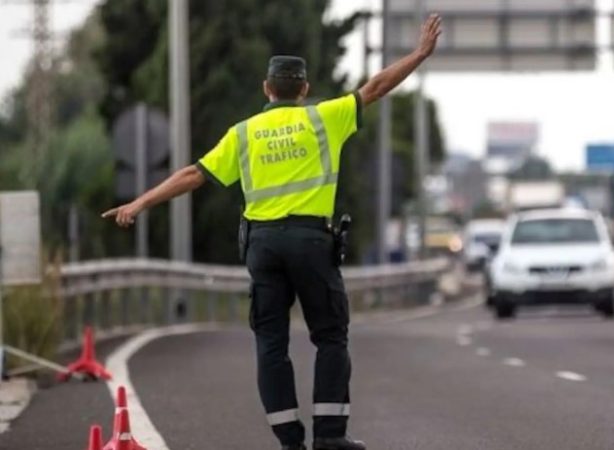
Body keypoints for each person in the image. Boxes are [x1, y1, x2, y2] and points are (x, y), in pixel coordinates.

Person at [102, 13, 443, 450]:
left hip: (262, 247)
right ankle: (330, 437)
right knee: (331, 336)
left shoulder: (243, 134)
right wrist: (418, 54)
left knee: (271, 344)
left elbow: (192, 174)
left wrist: (140, 202)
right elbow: (375, 87)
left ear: (267, 89)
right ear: (303, 89)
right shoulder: (325, 118)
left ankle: (290, 441)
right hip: (310, 243)